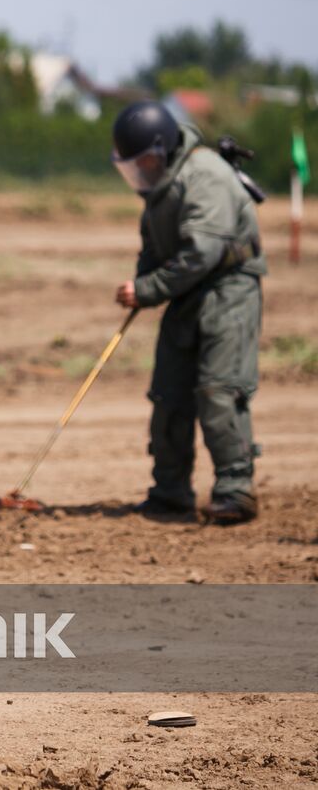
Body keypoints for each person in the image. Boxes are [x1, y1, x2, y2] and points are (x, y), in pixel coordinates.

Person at [110, 101, 265, 524]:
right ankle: (171, 491)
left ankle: (236, 490)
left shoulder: (205, 175)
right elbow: (154, 250)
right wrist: (142, 286)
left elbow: (202, 253)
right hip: (186, 296)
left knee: (219, 390)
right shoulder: (160, 190)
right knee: (169, 396)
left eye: (143, 163)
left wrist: (147, 289)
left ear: (162, 150)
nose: (139, 173)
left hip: (228, 291)